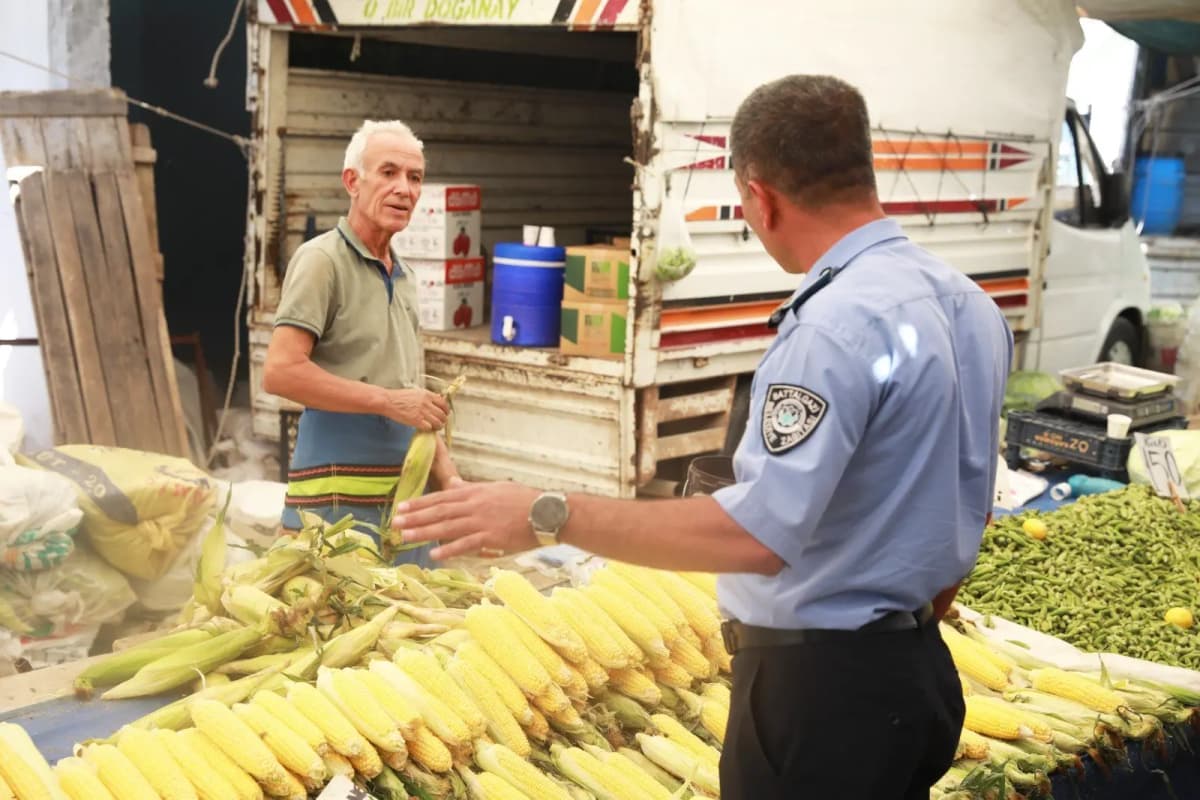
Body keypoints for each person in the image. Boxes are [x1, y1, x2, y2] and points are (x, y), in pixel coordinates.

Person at [391, 75, 1013, 798]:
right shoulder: (970, 306)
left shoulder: (834, 326)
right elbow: (961, 499)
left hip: (823, 701)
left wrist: (549, 512)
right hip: (920, 677)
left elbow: (755, 536)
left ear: (761, 195)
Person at [263, 119, 460, 564]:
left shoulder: (406, 277)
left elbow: (413, 398)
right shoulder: (321, 261)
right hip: (334, 502)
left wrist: (451, 481)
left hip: (401, 502)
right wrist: (388, 402)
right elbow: (280, 372)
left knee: (413, 626)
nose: (404, 189)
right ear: (352, 181)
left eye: (415, 178)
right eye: (388, 173)